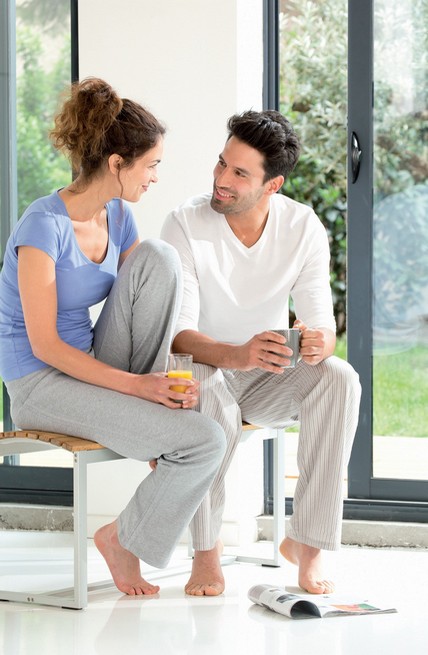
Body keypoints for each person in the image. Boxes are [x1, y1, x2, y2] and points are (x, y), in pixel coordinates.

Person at [0, 77, 227, 596]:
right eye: (150, 165)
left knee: (159, 258)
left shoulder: (119, 216)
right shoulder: (42, 226)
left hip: (90, 363)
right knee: (204, 440)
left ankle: (148, 436)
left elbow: (145, 300)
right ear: (117, 163)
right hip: (39, 384)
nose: (155, 177)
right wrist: (138, 390)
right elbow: (44, 346)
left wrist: (155, 388)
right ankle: (121, 540)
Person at [161, 109, 362, 596]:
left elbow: (321, 322)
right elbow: (178, 336)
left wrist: (317, 341)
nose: (221, 179)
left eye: (239, 173)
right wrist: (239, 354)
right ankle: (206, 554)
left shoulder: (302, 226)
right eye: (221, 163)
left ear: (273, 185)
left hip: (266, 376)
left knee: (339, 377)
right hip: (205, 369)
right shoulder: (185, 223)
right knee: (205, 386)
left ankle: (307, 545)